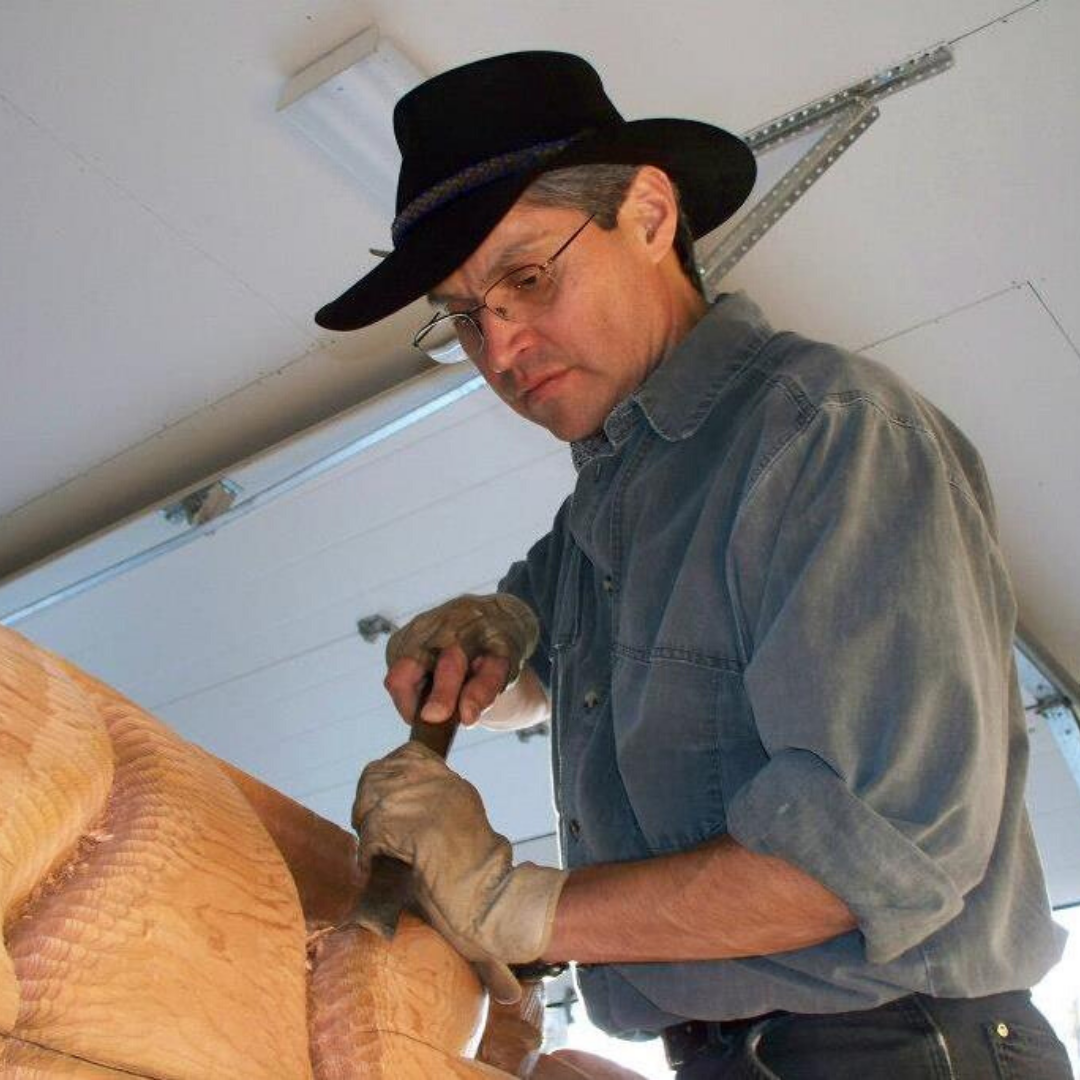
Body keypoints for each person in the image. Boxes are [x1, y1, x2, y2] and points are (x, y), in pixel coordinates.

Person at [318, 51, 1070, 1077]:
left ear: (652, 216)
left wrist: (514, 904)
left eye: (527, 278)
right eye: (462, 315)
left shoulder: (823, 436)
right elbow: (537, 661)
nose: (500, 347)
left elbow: (871, 855)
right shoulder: (606, 505)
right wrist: (474, 650)